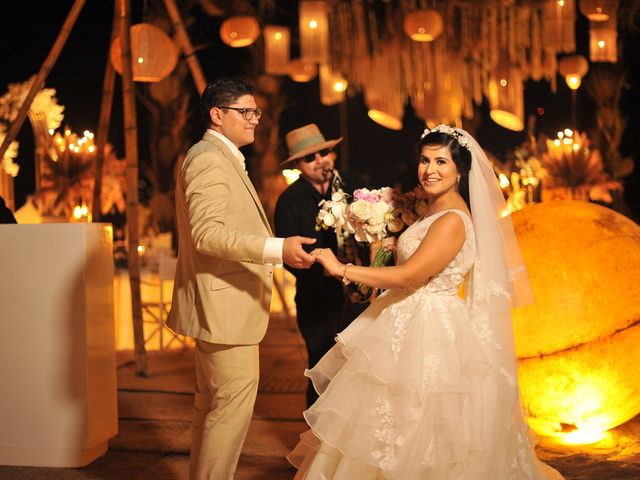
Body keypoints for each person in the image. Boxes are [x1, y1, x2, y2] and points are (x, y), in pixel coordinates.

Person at [287, 125, 564, 479]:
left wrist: (343, 268)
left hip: (430, 331)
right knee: (386, 424)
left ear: (460, 170)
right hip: (406, 319)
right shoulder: (433, 210)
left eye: (441, 161)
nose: (429, 169)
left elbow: (408, 277)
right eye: (424, 160)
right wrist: (391, 244)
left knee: (421, 425)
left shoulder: (452, 220)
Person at [166, 76, 317, 480]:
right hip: (224, 310)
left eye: (256, 112)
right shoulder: (207, 158)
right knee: (227, 410)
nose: (254, 120)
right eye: (245, 112)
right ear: (217, 115)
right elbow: (207, 234)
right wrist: (277, 248)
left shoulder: (221, 156)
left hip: (224, 307)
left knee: (212, 408)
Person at [275, 123, 368, 408]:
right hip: (316, 299)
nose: (320, 161)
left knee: (361, 368)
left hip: (361, 295)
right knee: (321, 366)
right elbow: (286, 254)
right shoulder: (288, 201)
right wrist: (313, 263)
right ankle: (315, 439)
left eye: (324, 152)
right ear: (298, 165)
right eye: (310, 157)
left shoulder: (356, 186)